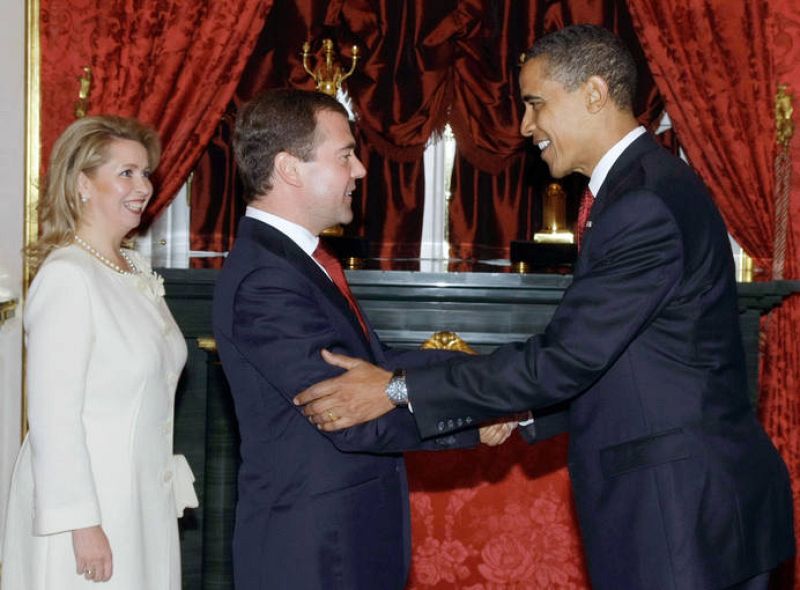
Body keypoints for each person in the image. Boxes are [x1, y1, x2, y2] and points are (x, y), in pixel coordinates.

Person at [294, 24, 795, 590]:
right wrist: (524, 411)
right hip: (688, 508)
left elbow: (566, 359)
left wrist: (395, 388)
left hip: (680, 516)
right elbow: (634, 362)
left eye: (535, 104)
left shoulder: (642, 204)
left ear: (594, 94)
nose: (525, 126)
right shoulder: (640, 187)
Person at [211, 88, 512, 590]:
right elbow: (344, 412)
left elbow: (374, 367)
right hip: (311, 554)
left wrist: (489, 372)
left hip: (343, 544)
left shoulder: (298, 261)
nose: (361, 171)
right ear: (290, 168)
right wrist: (472, 416)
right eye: (345, 155)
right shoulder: (264, 279)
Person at [2, 115, 198, 589]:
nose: (143, 185)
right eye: (126, 172)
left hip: (140, 499)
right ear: (82, 185)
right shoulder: (68, 276)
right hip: (89, 511)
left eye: (145, 172)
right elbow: (53, 418)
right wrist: (82, 524)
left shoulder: (131, 266)